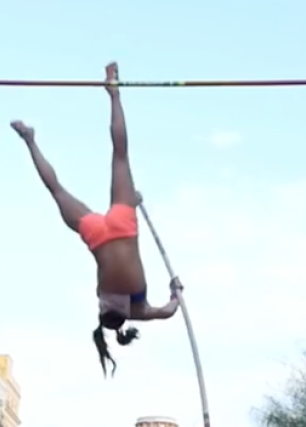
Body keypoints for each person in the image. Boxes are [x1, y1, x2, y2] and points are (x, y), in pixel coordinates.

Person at [11, 61, 182, 377]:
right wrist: (172, 296)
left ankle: (113, 92)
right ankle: (30, 139)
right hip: (98, 236)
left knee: (120, 154)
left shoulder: (137, 311)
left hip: (123, 226)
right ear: (103, 312)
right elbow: (163, 312)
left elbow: (170, 311)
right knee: (56, 189)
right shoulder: (114, 303)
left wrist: (175, 290)